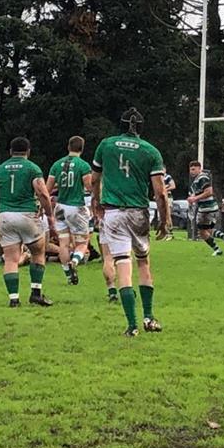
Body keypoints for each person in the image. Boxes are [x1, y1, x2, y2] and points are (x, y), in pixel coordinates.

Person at [90, 107, 171, 336]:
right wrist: (164, 221)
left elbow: (95, 179)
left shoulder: (106, 145)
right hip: (138, 213)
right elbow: (160, 192)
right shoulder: (150, 151)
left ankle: (132, 326)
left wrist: (95, 201)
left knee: (123, 265)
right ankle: (148, 316)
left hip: (113, 213)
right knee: (144, 263)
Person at [0, 137, 58, 308]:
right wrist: (49, 215)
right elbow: (42, 192)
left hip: (5, 216)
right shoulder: (32, 168)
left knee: (11, 259)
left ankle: (14, 299)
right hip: (26, 214)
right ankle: (36, 293)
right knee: (38, 251)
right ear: (28, 151)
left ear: (10, 151)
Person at [48, 135, 95, 286]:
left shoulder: (56, 164)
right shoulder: (83, 165)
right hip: (76, 207)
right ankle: (74, 262)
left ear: (68, 147)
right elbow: (89, 186)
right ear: (82, 149)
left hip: (60, 206)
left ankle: (68, 276)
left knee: (63, 243)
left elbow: (48, 188)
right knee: (82, 242)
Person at [186, 161, 224, 256]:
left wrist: (195, 198)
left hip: (207, 208)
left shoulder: (202, 178)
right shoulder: (196, 180)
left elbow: (209, 192)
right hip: (206, 208)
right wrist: (193, 197)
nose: (192, 172)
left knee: (202, 231)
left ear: (200, 168)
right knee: (207, 230)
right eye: (190, 170)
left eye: (194, 169)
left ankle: (218, 249)